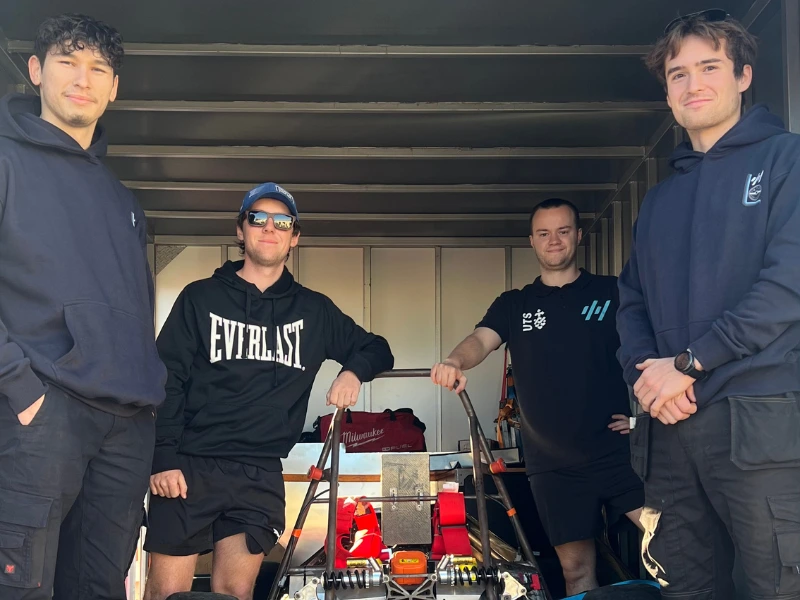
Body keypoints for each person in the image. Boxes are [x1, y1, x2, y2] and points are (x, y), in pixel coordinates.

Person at [617, 8, 800, 599]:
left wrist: (688, 365)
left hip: (758, 424)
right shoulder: (660, 199)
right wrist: (649, 379)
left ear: (744, 76)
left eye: (709, 67)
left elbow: (786, 286)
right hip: (669, 432)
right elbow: (631, 303)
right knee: (684, 589)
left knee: (776, 584)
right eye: (677, 74)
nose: (693, 84)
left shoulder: (786, 162)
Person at [143, 183, 394, 600]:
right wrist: (163, 458)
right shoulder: (199, 298)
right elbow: (166, 379)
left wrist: (351, 372)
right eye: (257, 218)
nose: (269, 228)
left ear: (294, 237)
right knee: (167, 593)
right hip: (190, 465)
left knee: (236, 593)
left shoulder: (313, 310)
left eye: (282, 221)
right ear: (241, 231)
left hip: (258, 472)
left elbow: (376, 348)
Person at [0, 13, 167, 600]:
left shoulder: (122, 200)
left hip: (124, 427)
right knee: (23, 587)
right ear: (36, 71)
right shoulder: (7, 163)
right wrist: (19, 390)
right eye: (68, 61)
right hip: (43, 415)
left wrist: (147, 398)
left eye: (99, 68)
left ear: (114, 88)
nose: (83, 78)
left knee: (99, 588)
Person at [430, 198, 643, 596]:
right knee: (576, 571)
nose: (554, 240)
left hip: (617, 453)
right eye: (544, 233)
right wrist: (454, 360)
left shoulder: (612, 292)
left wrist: (643, 418)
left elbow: (652, 350)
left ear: (578, 236)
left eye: (563, 231)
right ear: (532, 241)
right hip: (553, 465)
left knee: (669, 540)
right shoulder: (515, 304)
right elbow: (481, 339)